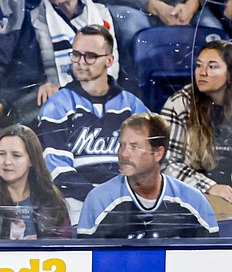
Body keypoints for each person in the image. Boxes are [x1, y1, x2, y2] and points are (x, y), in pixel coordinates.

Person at [37, 25, 148, 221]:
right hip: (76, 204)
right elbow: (56, 170)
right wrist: (100, 198)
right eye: (76, 54)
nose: (80, 62)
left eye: (90, 56)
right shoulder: (56, 105)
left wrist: (123, 198)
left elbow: (148, 161)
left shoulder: (132, 106)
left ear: (109, 60)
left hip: (128, 201)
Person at [77, 111, 220, 238]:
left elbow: (210, 261)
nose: (124, 154)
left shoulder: (193, 201)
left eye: (134, 147)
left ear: (158, 153)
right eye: (121, 145)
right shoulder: (98, 200)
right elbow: (86, 262)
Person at [93, 0, 222, 89]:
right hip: (131, 1)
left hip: (185, 1)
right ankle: (134, 95)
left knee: (213, 33)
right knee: (134, 33)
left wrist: (192, 4)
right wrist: (152, 5)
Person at [0, 124, 72, 238]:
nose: (7, 162)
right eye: (1, 154)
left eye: (16, 155)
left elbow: (65, 249)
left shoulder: (50, 199)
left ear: (31, 160)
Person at [161, 39, 232, 218]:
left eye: (213, 66)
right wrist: (210, 187)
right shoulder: (179, 103)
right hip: (197, 193)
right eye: (199, 65)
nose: (202, 72)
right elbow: (167, 164)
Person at [29, 0, 119, 107]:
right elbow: (30, 69)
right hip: (56, 98)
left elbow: (112, 60)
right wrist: (43, 84)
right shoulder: (34, 20)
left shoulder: (100, 14)